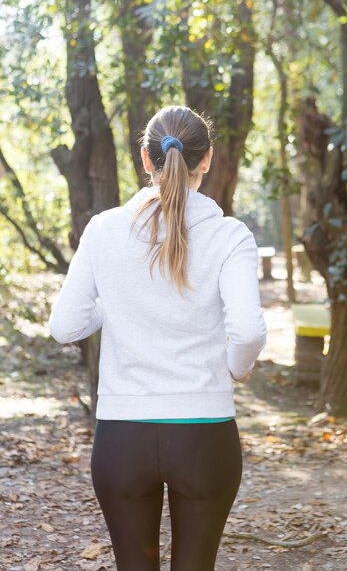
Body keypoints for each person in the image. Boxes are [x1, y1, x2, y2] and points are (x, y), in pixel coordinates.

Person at [48, 105, 267, 571]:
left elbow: (65, 326)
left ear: (145, 161)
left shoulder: (104, 229)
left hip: (121, 439)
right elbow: (247, 331)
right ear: (206, 161)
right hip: (205, 437)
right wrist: (236, 367)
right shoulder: (230, 236)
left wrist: (117, 305)